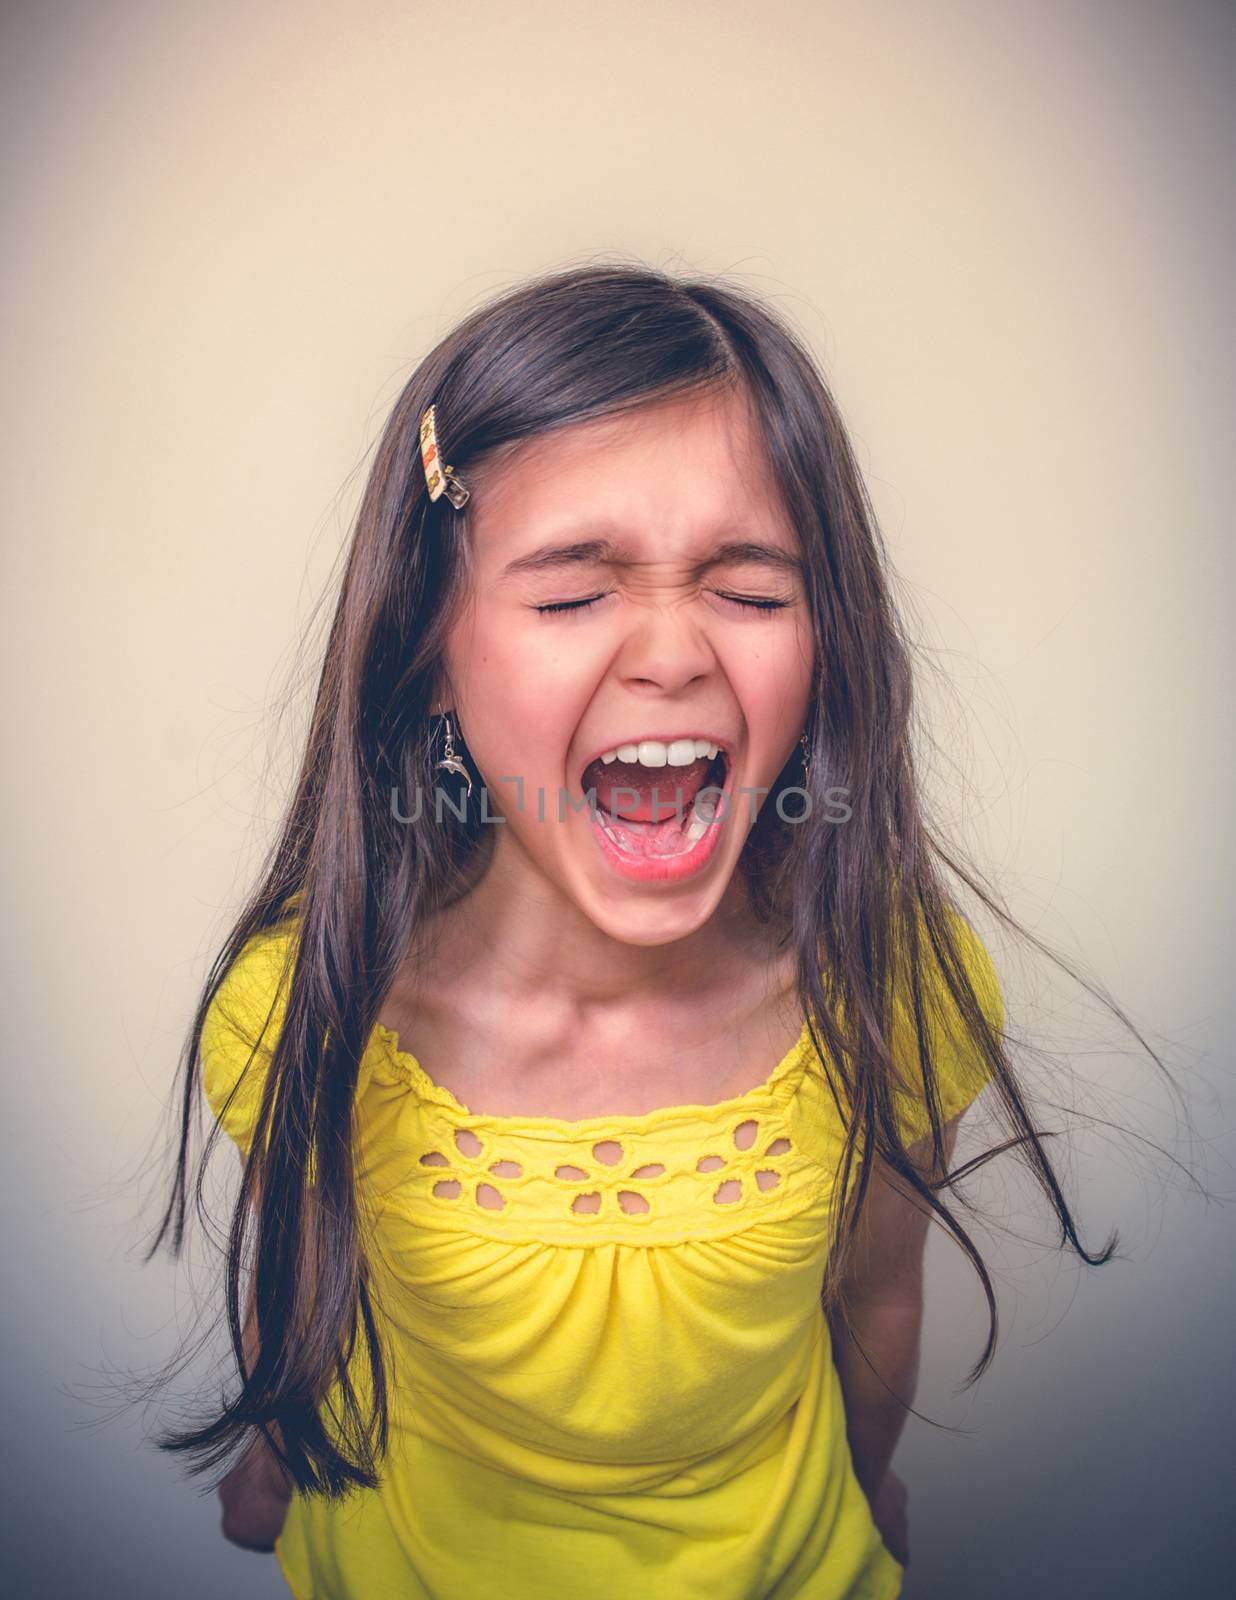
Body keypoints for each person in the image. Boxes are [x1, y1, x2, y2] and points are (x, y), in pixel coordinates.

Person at [150, 264, 1121, 1598]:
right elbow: (298, 1268)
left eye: (754, 591)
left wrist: (865, 1468)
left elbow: (880, 1295)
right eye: (568, 594)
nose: (671, 651)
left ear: (826, 648)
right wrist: (275, 1444)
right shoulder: (301, 1003)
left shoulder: (894, 990)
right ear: (430, 652)